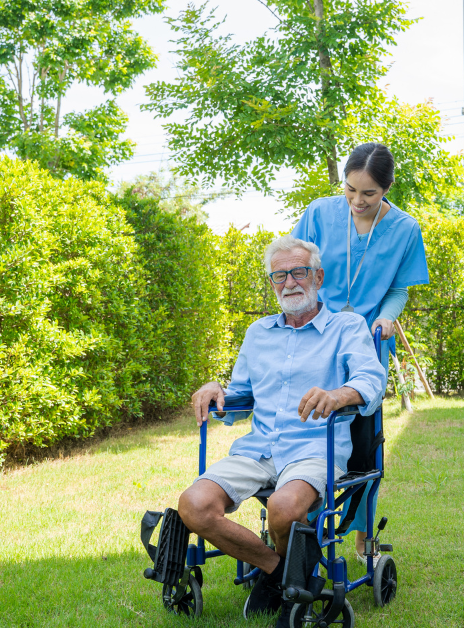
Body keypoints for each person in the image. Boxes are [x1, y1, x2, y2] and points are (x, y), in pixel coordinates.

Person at [180, 235, 386, 626]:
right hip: (259, 449)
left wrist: (340, 394)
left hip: (315, 448)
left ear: (318, 276)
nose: (289, 282)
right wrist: (216, 390)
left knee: (284, 508)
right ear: (272, 283)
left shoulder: (347, 326)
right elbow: (238, 399)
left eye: (299, 272)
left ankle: (280, 579)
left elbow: (372, 381)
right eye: (279, 275)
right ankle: (281, 575)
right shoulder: (258, 332)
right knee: (194, 505)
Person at [291, 142, 429, 560]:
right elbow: (295, 266)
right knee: (307, 435)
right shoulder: (319, 212)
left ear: (387, 188)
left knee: (366, 450)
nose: (356, 201)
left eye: (368, 193)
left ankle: (363, 534)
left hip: (365, 347)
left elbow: (398, 289)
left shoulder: (405, 228)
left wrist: (387, 318)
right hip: (318, 338)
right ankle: (297, 525)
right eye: (350, 189)